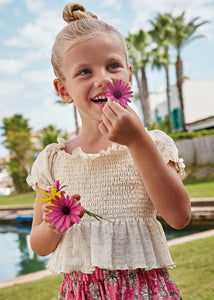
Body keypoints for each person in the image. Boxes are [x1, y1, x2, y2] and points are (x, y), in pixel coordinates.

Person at [27, 3, 191, 299]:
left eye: (112, 66)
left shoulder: (152, 143)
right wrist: (52, 226)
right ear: (63, 90)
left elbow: (179, 216)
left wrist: (138, 142)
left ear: (128, 74)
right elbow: (38, 244)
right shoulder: (53, 161)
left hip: (145, 291)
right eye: (85, 71)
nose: (102, 78)